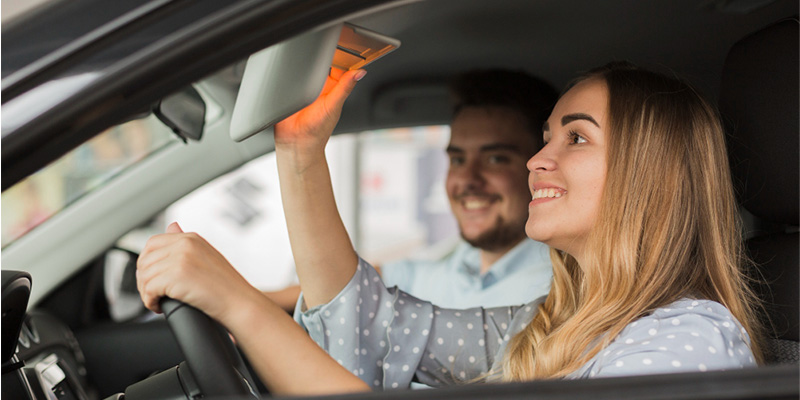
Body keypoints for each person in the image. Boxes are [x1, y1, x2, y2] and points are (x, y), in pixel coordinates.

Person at [136, 62, 764, 396]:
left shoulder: (690, 346)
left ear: (648, 176)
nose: (537, 161)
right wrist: (301, 155)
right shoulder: (555, 326)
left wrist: (240, 305)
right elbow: (373, 321)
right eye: (546, 137)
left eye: (575, 138)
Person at [265, 69, 558, 311]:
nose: (467, 180)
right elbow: (357, 282)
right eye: (457, 159)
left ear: (541, 167)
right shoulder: (461, 263)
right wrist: (254, 303)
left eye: (496, 159)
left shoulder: (557, 289)